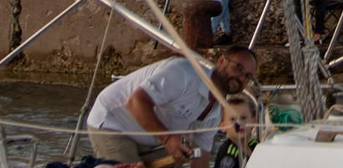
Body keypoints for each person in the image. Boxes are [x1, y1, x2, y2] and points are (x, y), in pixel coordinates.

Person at [86, 47, 259, 165]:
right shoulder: (183, 73)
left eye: (248, 76)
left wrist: (171, 144)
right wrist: (168, 140)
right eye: (238, 68)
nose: (241, 78)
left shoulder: (216, 110)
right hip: (114, 124)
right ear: (221, 61)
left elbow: (202, 156)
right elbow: (136, 102)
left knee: (180, 157)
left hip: (150, 139)